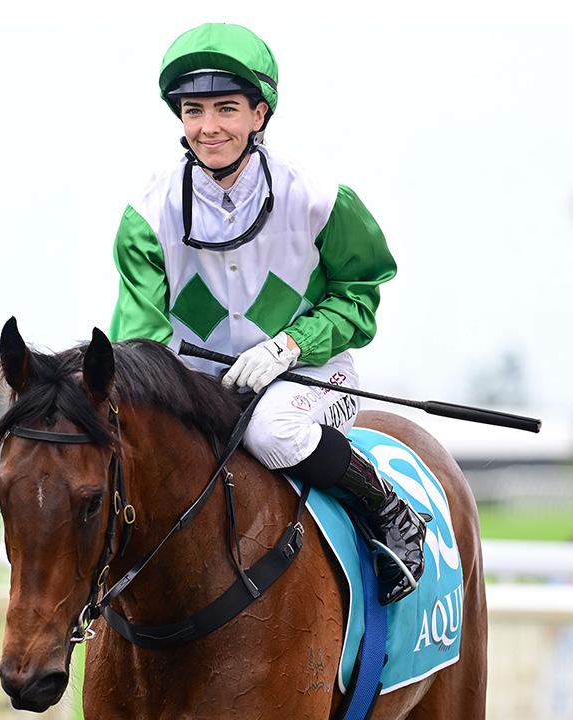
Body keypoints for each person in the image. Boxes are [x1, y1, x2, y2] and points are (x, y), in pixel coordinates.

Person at [109, 23, 422, 605]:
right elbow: (141, 344)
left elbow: (360, 293)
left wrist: (288, 346)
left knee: (272, 432)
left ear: (259, 114)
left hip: (308, 377)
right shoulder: (145, 217)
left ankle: (390, 510)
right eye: (193, 110)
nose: (209, 128)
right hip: (200, 388)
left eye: (226, 109)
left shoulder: (322, 199)